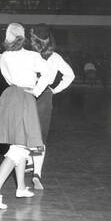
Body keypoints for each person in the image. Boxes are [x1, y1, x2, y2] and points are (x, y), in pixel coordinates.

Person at [0, 23, 51, 209]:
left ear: (8, 37)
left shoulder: (4, 56)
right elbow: (49, 74)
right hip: (24, 97)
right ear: (22, 37)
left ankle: (20, 187)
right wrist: (36, 90)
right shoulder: (32, 56)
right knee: (20, 148)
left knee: (18, 143)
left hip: (10, 96)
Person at [28, 25, 75, 190]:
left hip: (28, 93)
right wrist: (54, 90)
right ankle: (36, 172)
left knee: (26, 131)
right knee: (40, 136)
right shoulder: (55, 57)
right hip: (45, 97)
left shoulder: (29, 55)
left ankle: (28, 159)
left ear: (34, 39)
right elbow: (70, 75)